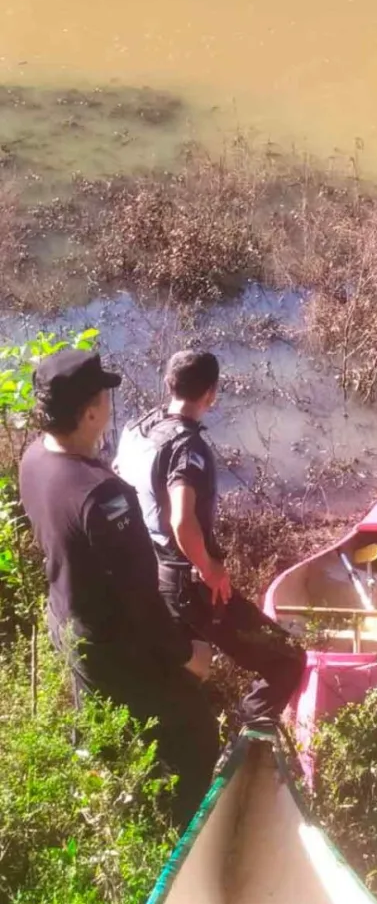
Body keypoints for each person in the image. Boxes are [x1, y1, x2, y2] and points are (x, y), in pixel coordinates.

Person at [19, 349, 219, 830]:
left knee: (101, 729)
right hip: (115, 646)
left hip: (67, 624)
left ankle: (104, 809)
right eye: (104, 398)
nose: (111, 405)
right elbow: (142, 598)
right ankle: (173, 836)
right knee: (196, 732)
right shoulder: (104, 496)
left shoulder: (33, 459)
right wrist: (185, 654)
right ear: (89, 413)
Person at [115, 350, 306, 728]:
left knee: (185, 667)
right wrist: (211, 568)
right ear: (211, 393)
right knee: (287, 659)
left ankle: (185, 725)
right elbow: (182, 519)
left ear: (169, 384)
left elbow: (119, 479)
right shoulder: (187, 448)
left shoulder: (138, 427)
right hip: (186, 583)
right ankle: (249, 735)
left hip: (147, 569)